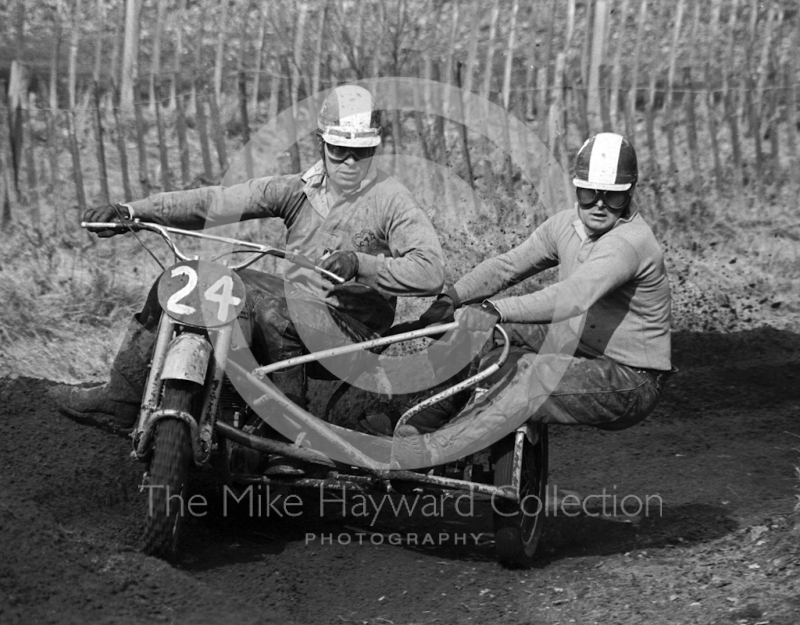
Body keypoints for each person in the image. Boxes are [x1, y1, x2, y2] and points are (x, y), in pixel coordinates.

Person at [49, 85, 445, 451]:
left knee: (267, 300)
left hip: (352, 337)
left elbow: (430, 271)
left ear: (375, 149)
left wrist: (362, 264)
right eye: (339, 148)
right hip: (292, 315)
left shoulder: (391, 200)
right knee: (187, 278)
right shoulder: (298, 189)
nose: (349, 161)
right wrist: (133, 211)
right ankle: (123, 394)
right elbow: (217, 201)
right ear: (321, 143)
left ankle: (287, 435)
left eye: (361, 151)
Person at [403, 131, 672, 437]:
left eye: (612, 196)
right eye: (589, 193)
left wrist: (493, 309)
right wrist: (452, 298)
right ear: (578, 188)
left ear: (630, 192)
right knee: (478, 335)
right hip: (578, 345)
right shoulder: (565, 225)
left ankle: (439, 450)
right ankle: (415, 426)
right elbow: (508, 266)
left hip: (630, 380)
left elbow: (572, 297)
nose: (599, 205)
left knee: (529, 375)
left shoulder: (628, 243)